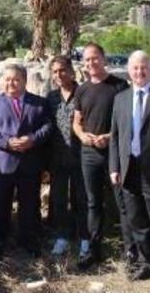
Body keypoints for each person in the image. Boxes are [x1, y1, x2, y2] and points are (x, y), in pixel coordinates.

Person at [109, 51, 150, 286]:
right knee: (137, 220)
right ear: (129, 70)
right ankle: (148, 263)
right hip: (129, 170)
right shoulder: (121, 98)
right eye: (135, 68)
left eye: (144, 68)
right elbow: (115, 137)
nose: (139, 72)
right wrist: (114, 167)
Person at [0, 63, 51, 259]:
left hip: (29, 162)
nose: (11, 83)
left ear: (24, 81)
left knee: (30, 204)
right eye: (7, 79)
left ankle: (29, 241)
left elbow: (47, 126)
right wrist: (6, 143)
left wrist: (32, 139)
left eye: (16, 79)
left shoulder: (39, 103)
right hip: (2, 162)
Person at [72, 43, 132, 271]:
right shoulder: (82, 89)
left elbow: (126, 121)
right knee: (93, 203)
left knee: (122, 202)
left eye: (94, 58)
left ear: (103, 58)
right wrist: (82, 136)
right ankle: (94, 251)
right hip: (89, 154)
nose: (91, 63)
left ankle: (130, 251)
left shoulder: (119, 86)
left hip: (114, 154)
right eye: (87, 60)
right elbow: (76, 122)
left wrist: (109, 136)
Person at [46, 56, 89, 257]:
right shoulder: (51, 98)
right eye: (54, 71)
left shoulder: (84, 93)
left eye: (62, 70)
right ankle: (62, 236)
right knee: (59, 199)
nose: (59, 75)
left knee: (81, 198)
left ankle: (84, 238)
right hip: (57, 158)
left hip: (81, 156)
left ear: (71, 71)